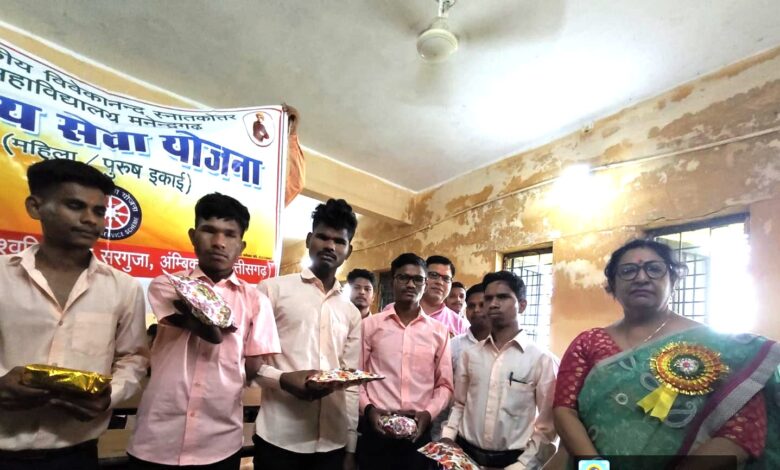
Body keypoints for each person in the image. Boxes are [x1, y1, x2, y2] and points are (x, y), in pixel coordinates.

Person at [553, 239, 780, 469]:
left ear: (674, 279)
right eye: (628, 271)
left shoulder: (723, 347)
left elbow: (743, 431)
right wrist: (594, 467)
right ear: (612, 284)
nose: (641, 278)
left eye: (654, 269)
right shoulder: (588, 343)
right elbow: (564, 410)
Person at [0, 159, 148, 470]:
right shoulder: (3, 276)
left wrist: (110, 396)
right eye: (75, 206)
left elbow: (133, 358)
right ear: (35, 207)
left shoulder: (124, 287)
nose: (90, 219)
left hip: (77, 453)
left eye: (99, 211)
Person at [127, 193, 281, 469]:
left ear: (242, 245)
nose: (219, 242)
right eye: (209, 230)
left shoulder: (257, 301)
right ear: (193, 236)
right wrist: (213, 329)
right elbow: (198, 325)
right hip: (157, 439)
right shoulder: (167, 284)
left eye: (230, 234)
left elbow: (253, 367)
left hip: (219, 441)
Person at [253, 198, 361, 470]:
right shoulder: (272, 290)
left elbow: (350, 382)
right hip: (279, 438)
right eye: (323, 237)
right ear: (309, 239)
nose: (330, 246)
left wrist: (350, 446)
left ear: (348, 250)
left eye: (339, 241)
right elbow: (249, 362)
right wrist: (283, 380)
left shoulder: (351, 312)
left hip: (333, 442)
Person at [442, 271, 558, 470]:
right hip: (464, 458)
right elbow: (460, 404)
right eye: (488, 298)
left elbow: (547, 427)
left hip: (513, 462)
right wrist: (448, 438)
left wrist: (522, 465)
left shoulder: (542, 360)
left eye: (503, 297)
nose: (493, 304)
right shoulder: (471, 355)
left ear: (522, 305)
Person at [358, 253, 454, 470]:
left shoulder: (439, 332)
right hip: (376, 430)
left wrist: (428, 414)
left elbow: (445, 385)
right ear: (393, 281)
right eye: (403, 278)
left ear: (425, 283)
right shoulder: (371, 326)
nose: (411, 284)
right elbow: (357, 377)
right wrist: (369, 410)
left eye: (418, 279)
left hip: (418, 432)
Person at [431, 282, 492, 441]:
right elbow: (442, 386)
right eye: (471, 306)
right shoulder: (454, 345)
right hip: (451, 428)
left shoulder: (504, 347)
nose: (476, 310)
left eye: (482, 305)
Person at [384, 255, 469, 337]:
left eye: (446, 278)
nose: (439, 282)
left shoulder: (459, 325)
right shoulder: (391, 311)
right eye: (433, 275)